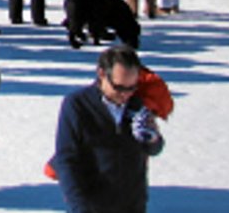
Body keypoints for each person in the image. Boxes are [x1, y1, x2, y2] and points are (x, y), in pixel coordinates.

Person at [52, 45, 164, 213]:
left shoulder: (137, 105)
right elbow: (66, 159)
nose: (126, 94)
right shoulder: (77, 105)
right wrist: (79, 207)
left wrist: (153, 139)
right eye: (119, 87)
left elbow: (153, 149)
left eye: (132, 88)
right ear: (102, 74)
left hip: (132, 205)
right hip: (93, 206)